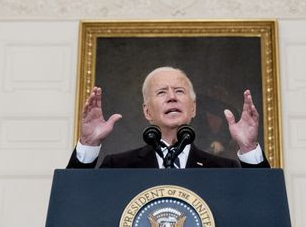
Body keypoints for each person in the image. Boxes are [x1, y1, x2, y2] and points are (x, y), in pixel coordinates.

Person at [66, 66, 269, 168]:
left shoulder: (224, 169)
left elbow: (262, 205)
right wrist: (89, 144)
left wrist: (249, 149)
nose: (172, 97)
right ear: (147, 111)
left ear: (193, 108)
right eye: (162, 92)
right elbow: (76, 204)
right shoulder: (118, 166)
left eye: (179, 91)